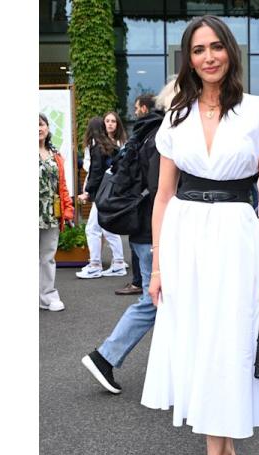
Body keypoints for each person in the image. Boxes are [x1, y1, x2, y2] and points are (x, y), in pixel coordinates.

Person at [139, 15, 259, 455]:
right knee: (200, 342)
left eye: (216, 47)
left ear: (230, 52)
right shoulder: (175, 116)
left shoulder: (257, 112)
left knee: (228, 344)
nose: (208, 57)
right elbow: (162, 195)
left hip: (235, 238)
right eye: (199, 49)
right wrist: (156, 265)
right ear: (189, 58)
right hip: (184, 238)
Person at [79, 83, 173, 393]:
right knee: (154, 301)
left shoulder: (145, 131)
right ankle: (106, 356)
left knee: (159, 300)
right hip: (154, 230)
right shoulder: (163, 136)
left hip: (142, 229)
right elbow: (162, 188)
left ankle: (167, 367)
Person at [116, 93, 158, 296]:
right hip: (150, 221)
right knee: (152, 299)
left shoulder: (142, 136)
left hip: (140, 217)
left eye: (136, 107)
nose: (134, 111)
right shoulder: (156, 136)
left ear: (143, 109)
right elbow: (157, 186)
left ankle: (137, 282)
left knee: (150, 298)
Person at [77, 115, 127, 279]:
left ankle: (96, 265)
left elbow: (95, 173)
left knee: (93, 229)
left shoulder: (97, 147)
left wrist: (88, 193)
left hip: (101, 193)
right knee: (105, 227)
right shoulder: (111, 146)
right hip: (110, 190)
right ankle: (117, 263)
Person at [39, 113, 74, 311]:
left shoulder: (55, 155)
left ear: (47, 128)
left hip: (50, 214)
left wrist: (67, 210)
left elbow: (62, 186)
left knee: (47, 257)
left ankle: (47, 297)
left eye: (41, 124)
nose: (38, 128)